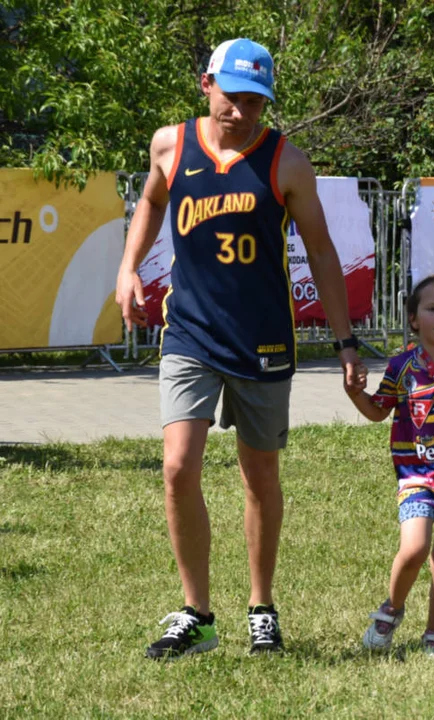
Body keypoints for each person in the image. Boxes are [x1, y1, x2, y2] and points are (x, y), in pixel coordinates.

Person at [114, 38, 363, 659]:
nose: (242, 112)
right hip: (191, 332)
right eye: (232, 98)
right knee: (177, 467)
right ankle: (196, 613)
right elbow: (149, 201)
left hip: (264, 339)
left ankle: (261, 608)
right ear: (207, 86)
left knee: (259, 477)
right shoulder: (170, 144)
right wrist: (129, 266)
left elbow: (324, 253)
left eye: (255, 101)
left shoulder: (288, 163)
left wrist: (346, 342)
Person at [347, 275, 434, 657]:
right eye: (432, 308)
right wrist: (355, 393)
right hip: (417, 478)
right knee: (415, 548)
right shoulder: (401, 367)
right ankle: (390, 611)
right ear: (413, 319)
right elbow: (377, 412)